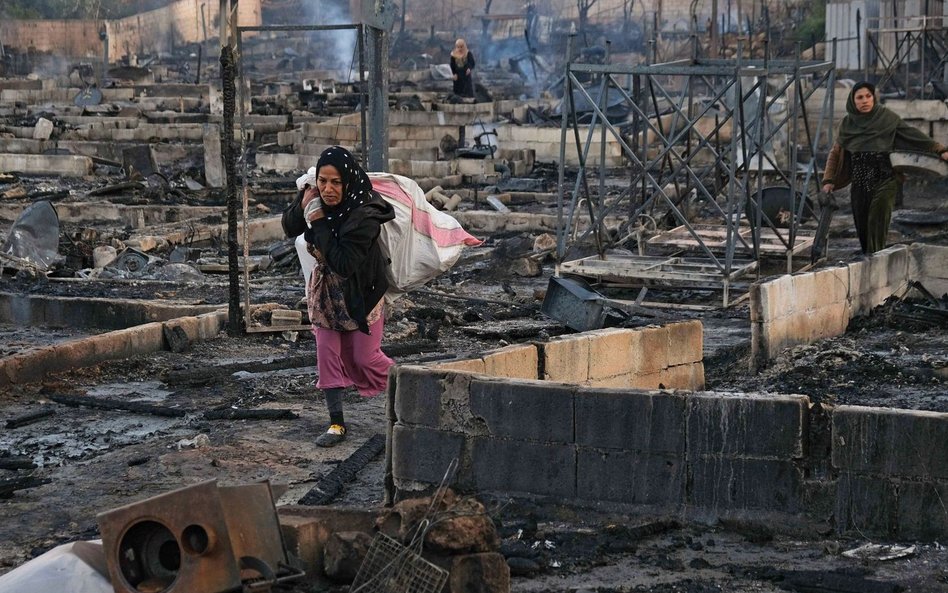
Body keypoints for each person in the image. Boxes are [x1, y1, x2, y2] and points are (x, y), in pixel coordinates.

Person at [282, 146, 396, 447]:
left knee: (363, 357)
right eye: (322, 181)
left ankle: (414, 389)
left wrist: (318, 220)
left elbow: (343, 263)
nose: (328, 189)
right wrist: (302, 205)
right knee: (327, 353)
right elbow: (290, 226)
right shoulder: (315, 196)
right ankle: (336, 423)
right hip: (325, 292)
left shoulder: (366, 215)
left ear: (348, 182)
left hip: (361, 291)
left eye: (336, 183)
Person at [821, 81, 948, 254]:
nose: (865, 101)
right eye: (860, 97)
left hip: (885, 179)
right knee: (863, 228)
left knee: (877, 220)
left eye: (868, 96)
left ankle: (876, 261)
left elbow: (913, 136)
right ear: (853, 101)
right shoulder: (847, 125)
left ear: (874, 98)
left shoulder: (887, 118)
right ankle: (869, 259)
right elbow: (835, 154)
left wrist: (940, 150)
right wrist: (828, 181)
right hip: (859, 184)